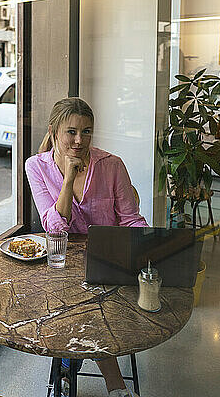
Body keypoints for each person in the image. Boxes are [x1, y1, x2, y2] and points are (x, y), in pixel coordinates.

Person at [25, 97, 148, 397]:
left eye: (87, 131)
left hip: (108, 260)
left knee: (87, 304)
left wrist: (149, 246)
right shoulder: (36, 167)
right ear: (54, 131)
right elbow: (54, 228)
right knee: (75, 302)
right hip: (61, 264)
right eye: (71, 132)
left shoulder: (112, 165)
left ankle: (68, 370)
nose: (80, 140)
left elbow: (131, 220)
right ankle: (110, 384)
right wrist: (68, 178)